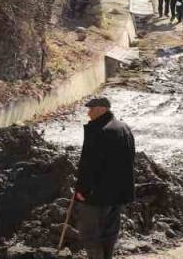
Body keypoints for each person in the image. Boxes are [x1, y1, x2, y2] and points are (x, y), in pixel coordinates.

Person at [75, 97, 135, 259]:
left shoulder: (99, 131)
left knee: (90, 234)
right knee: (109, 233)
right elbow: (130, 161)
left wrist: (82, 190)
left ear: (102, 109)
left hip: (97, 195)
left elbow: (89, 165)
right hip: (118, 194)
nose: (88, 113)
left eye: (91, 109)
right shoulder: (124, 128)